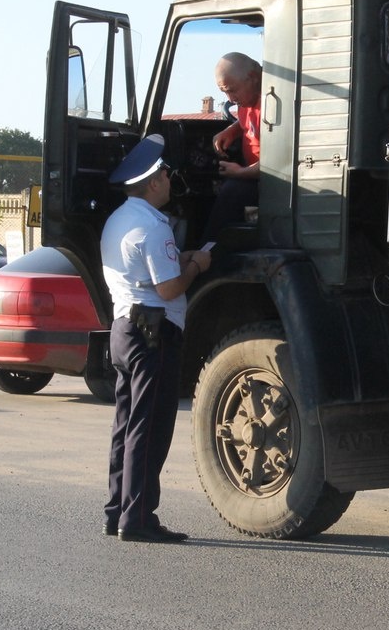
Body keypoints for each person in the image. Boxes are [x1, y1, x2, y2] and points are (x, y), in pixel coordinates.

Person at [100, 134, 211, 543]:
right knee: (149, 429)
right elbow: (168, 289)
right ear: (152, 183)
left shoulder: (119, 219)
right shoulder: (153, 226)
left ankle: (117, 512)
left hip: (124, 329)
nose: (169, 179)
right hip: (153, 332)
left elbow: (145, 269)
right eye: (165, 174)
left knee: (126, 425)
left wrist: (180, 259)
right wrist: (197, 265)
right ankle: (139, 519)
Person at [202, 52, 262, 243]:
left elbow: (276, 163)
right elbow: (250, 120)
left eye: (232, 90)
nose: (230, 98)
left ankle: (208, 251)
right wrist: (232, 130)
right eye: (225, 92)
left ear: (253, 78)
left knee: (232, 191)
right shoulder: (247, 99)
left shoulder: (272, 103)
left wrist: (240, 173)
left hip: (267, 182)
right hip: (251, 172)